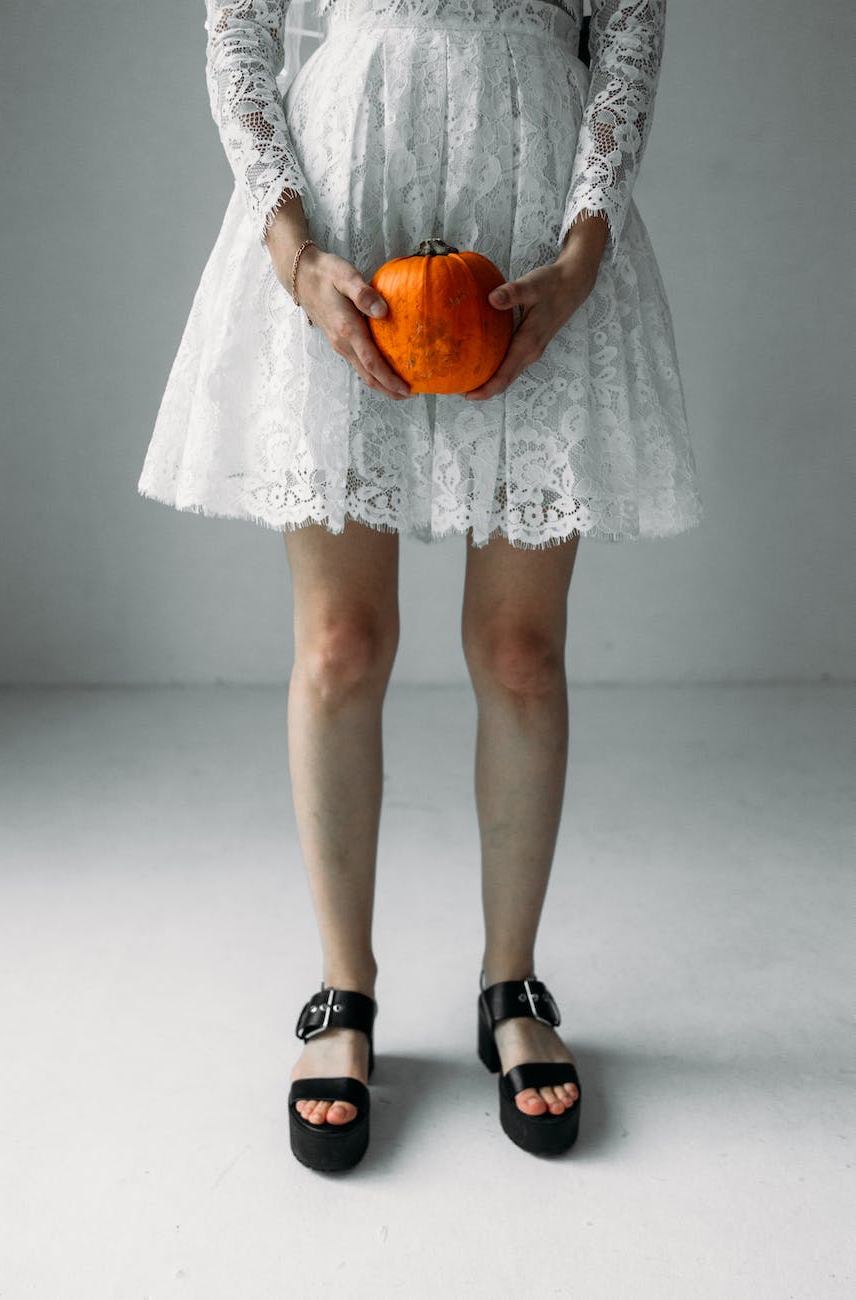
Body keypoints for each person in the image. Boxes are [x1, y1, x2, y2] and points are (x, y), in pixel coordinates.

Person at [137, 0, 704, 1170]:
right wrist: (292, 253)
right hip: (346, 215)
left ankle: (513, 987)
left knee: (520, 655)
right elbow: (240, 32)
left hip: (539, 229)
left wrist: (584, 254)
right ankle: (345, 992)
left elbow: (629, 39)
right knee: (341, 643)